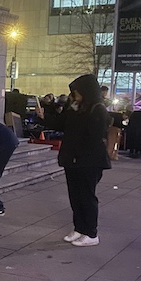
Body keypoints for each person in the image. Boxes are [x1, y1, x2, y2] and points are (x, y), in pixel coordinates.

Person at [35, 74, 110, 247]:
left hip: (88, 160)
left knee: (87, 196)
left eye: (76, 92)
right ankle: (80, 228)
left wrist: (78, 150)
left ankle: (91, 232)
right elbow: (61, 124)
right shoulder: (75, 107)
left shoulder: (97, 109)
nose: (74, 95)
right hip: (72, 158)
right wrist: (44, 117)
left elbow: (94, 137)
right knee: (75, 195)